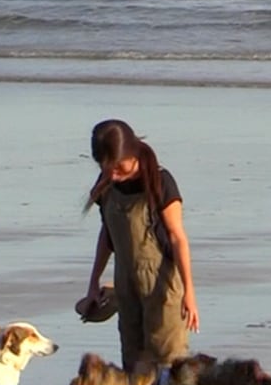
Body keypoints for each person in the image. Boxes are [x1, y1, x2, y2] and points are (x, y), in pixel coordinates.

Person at [78, 119, 199, 371]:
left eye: (119, 167)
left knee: (168, 364)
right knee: (133, 364)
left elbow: (178, 238)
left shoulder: (160, 183)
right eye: (106, 167)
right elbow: (107, 235)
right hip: (125, 283)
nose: (113, 174)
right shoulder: (108, 184)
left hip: (161, 285)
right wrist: (93, 284)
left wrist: (189, 293)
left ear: (132, 153)